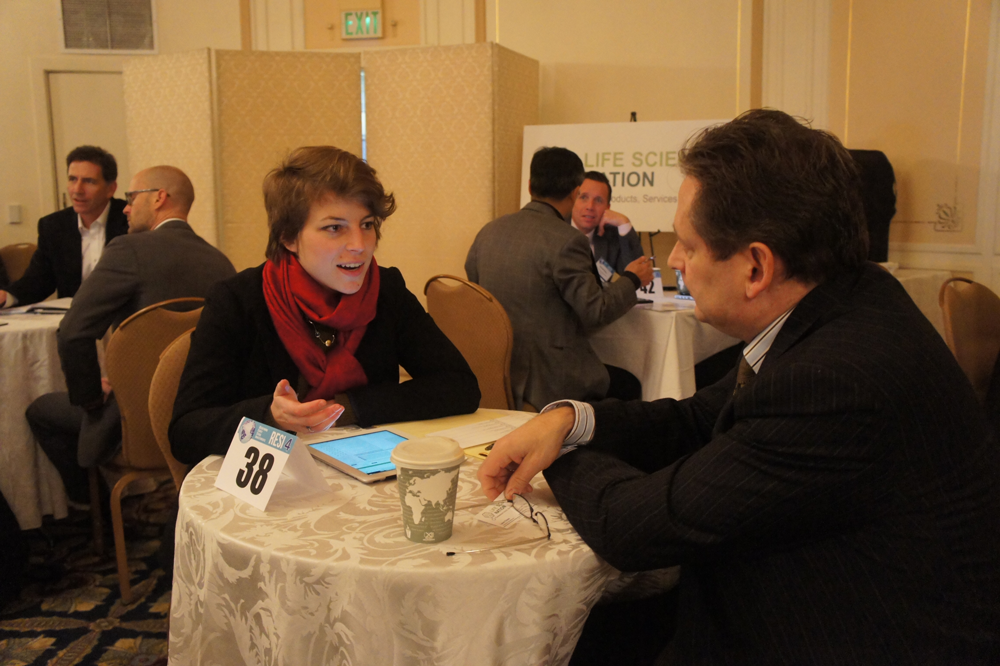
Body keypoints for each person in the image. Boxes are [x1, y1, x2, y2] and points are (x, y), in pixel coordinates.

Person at [478, 110, 1000, 663]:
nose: (674, 260)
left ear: (755, 267)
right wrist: (569, 419)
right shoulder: (850, 295)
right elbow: (697, 419)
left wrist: (560, 451)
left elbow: (631, 526)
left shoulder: (835, 381)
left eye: (689, 245)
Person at [169, 146, 480, 465]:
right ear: (288, 237)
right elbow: (186, 431)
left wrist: (348, 407)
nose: (359, 245)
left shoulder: (386, 290)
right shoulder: (238, 300)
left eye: (367, 224)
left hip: (366, 470)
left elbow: (460, 386)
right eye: (334, 228)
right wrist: (271, 417)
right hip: (273, 481)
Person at [27, 166, 236, 503]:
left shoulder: (129, 250)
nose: (125, 208)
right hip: (201, 420)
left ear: (158, 198)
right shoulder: (220, 262)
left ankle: (91, 511)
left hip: (136, 424)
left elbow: (73, 333)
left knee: (39, 409)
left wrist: (92, 397)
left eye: (131, 197)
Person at [465, 147, 654, 410]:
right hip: (549, 380)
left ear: (530, 185)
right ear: (575, 192)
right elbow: (596, 311)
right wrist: (632, 279)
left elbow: (476, 292)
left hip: (496, 371)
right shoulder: (568, 241)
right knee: (631, 384)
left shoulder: (488, 232)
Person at [2, 146, 129, 308]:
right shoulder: (54, 226)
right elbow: (38, 281)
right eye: (72, 179)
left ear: (111, 189)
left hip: (123, 315)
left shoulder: (130, 219)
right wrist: (7, 296)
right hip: (74, 317)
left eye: (89, 181)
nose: (77, 190)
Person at [571, 171, 644, 281]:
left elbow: (638, 275)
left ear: (607, 208)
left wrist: (624, 223)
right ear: (572, 200)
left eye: (598, 200)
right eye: (584, 197)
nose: (590, 206)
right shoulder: (553, 232)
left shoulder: (610, 235)